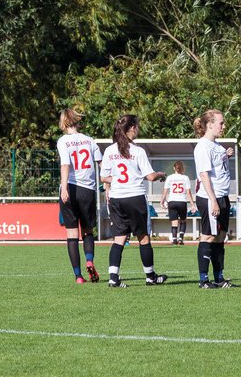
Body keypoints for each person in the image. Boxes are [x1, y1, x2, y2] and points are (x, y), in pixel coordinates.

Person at [99, 115, 167, 287]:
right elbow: (150, 177)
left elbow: (103, 177)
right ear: (131, 128)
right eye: (137, 126)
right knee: (143, 238)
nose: (138, 129)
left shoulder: (109, 150)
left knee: (119, 239)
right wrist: (161, 175)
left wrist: (116, 181)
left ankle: (113, 278)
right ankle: (150, 277)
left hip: (116, 199)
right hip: (135, 198)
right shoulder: (138, 151)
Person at [56, 106, 102, 284]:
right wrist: (106, 185)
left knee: (72, 234)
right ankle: (89, 260)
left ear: (64, 122)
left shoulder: (63, 141)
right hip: (88, 190)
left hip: (71, 188)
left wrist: (65, 188)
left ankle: (78, 276)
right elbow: (100, 162)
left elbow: (65, 164)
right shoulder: (89, 140)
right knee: (88, 231)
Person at [193, 108, 236, 288]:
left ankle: (219, 278)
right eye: (221, 123)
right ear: (210, 125)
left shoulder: (217, 146)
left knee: (220, 237)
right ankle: (204, 280)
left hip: (222, 196)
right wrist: (212, 200)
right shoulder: (202, 146)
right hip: (210, 197)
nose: (223, 126)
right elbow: (204, 175)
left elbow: (218, 168)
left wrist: (226, 155)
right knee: (208, 237)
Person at [159, 161, 192, 245]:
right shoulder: (185, 178)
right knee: (183, 220)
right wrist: (192, 204)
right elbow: (188, 192)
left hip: (172, 201)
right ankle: (180, 238)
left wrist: (162, 201)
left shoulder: (170, 177)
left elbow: (165, 191)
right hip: (182, 201)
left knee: (174, 221)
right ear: (182, 168)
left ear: (174, 168)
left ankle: (174, 239)